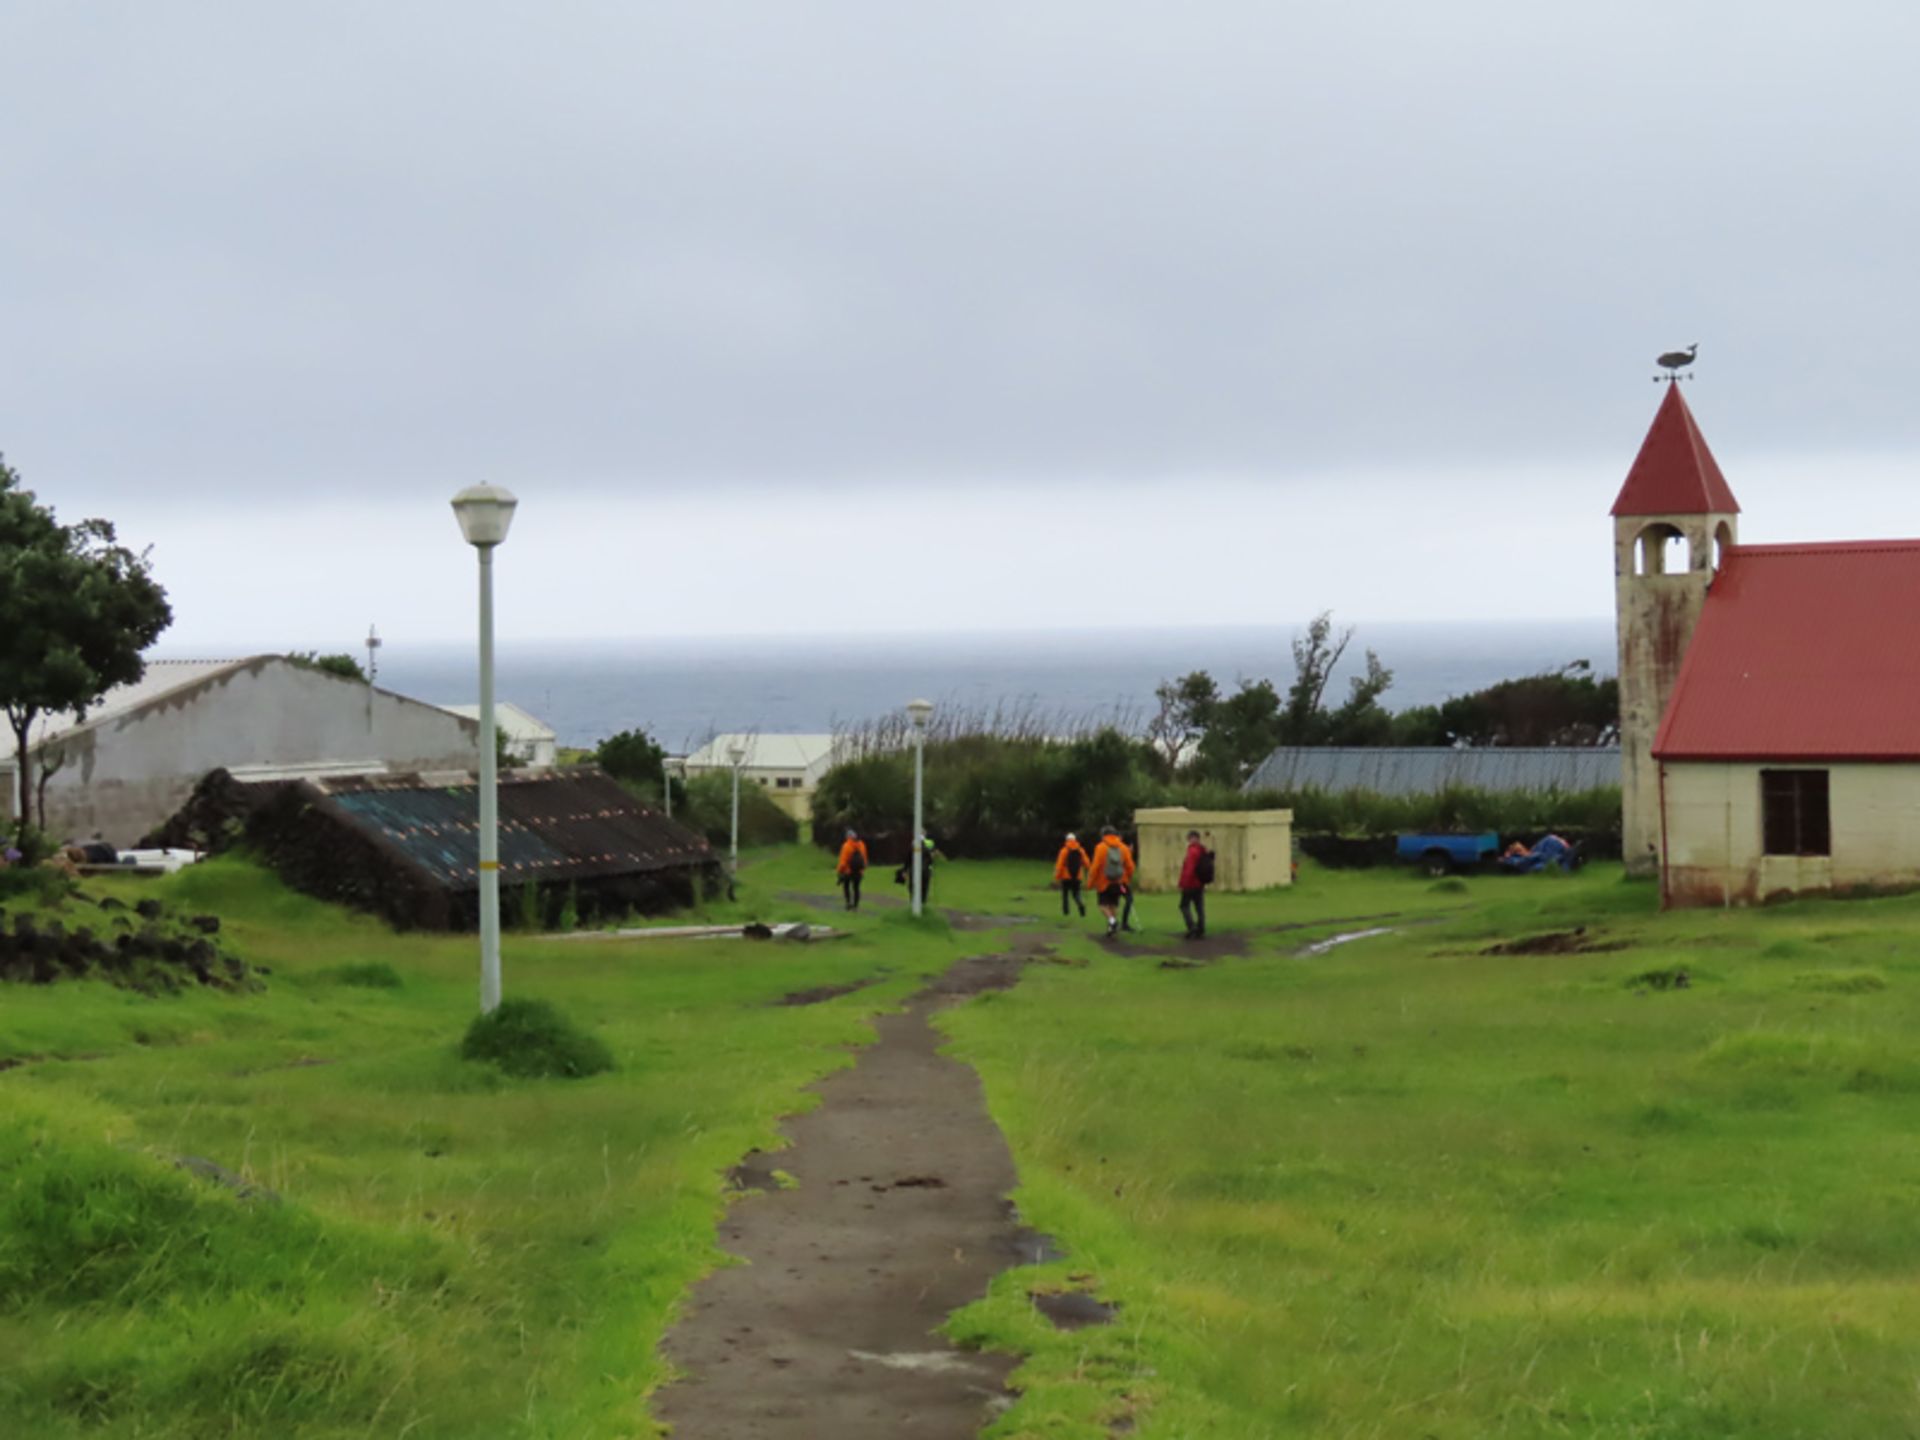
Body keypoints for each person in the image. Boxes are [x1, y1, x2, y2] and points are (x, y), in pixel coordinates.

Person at [1086, 825, 1135, 940]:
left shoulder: (1100, 848)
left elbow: (1095, 867)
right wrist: (1127, 878)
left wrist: (1090, 882)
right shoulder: (1124, 848)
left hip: (1104, 882)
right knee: (1113, 904)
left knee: (1102, 905)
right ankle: (1111, 929)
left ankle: (1112, 922)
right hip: (1119, 881)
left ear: (1103, 835)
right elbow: (1130, 866)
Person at [1178, 829, 1215, 939]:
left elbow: (1189, 869)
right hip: (1200, 883)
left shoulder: (1192, 851)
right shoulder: (1203, 850)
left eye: (1189, 838)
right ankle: (1201, 929)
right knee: (1199, 907)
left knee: (1184, 906)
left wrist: (1183, 883)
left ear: (1192, 838)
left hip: (1191, 884)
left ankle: (1192, 927)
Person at [1053, 832, 1090, 916]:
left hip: (1066, 876)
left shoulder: (1064, 851)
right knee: (1076, 894)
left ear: (1066, 840)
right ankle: (1081, 905)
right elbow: (1087, 863)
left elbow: (1059, 865)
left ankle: (1066, 911)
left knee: (1065, 894)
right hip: (1077, 876)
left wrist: (1057, 877)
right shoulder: (1080, 850)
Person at [835, 828, 870, 910]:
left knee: (846, 886)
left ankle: (848, 903)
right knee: (856, 888)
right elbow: (864, 859)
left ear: (848, 837)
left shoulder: (846, 846)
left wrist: (839, 871)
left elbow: (843, 862)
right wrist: (863, 869)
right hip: (858, 871)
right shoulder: (862, 845)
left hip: (848, 871)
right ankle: (856, 905)